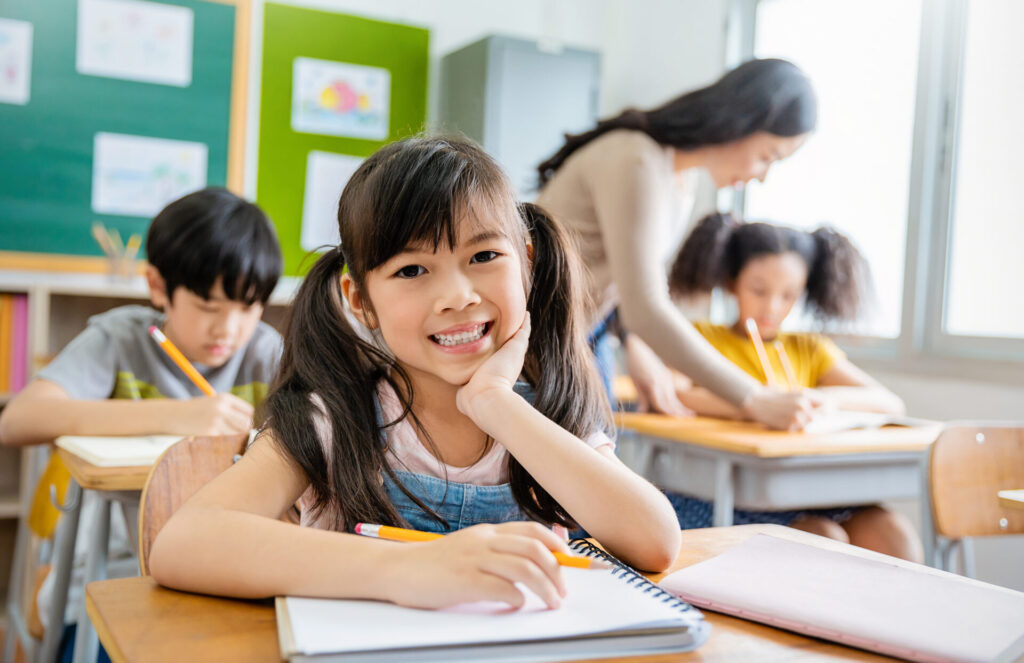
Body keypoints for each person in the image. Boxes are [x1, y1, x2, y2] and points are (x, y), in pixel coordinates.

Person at [148, 136, 681, 610]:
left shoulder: (547, 412)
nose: (457, 296)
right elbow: (183, 544)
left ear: (526, 261)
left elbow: (656, 542)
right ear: (361, 301)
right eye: (411, 270)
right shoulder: (335, 420)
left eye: (484, 255)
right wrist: (407, 570)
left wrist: (496, 403)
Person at [0, 187, 284, 661]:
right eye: (209, 307)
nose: (228, 330)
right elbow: (18, 420)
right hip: (114, 565)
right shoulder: (121, 339)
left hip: (225, 564)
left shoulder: (264, 350)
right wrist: (181, 415)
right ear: (157, 286)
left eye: (249, 308)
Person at [536, 58, 822, 430]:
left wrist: (634, 344)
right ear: (742, 121)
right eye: (768, 156)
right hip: (535, 347)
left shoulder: (677, 179)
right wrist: (755, 397)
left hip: (578, 342)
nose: (763, 176)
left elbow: (622, 284)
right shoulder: (636, 159)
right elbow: (646, 306)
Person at [664, 211, 923, 562]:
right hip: (730, 491)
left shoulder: (808, 348)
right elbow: (675, 393)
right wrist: (758, 404)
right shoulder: (702, 338)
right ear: (731, 281)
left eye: (789, 295)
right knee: (823, 538)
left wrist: (820, 401)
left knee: (894, 534)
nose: (771, 307)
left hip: (812, 490)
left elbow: (888, 403)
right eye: (758, 290)